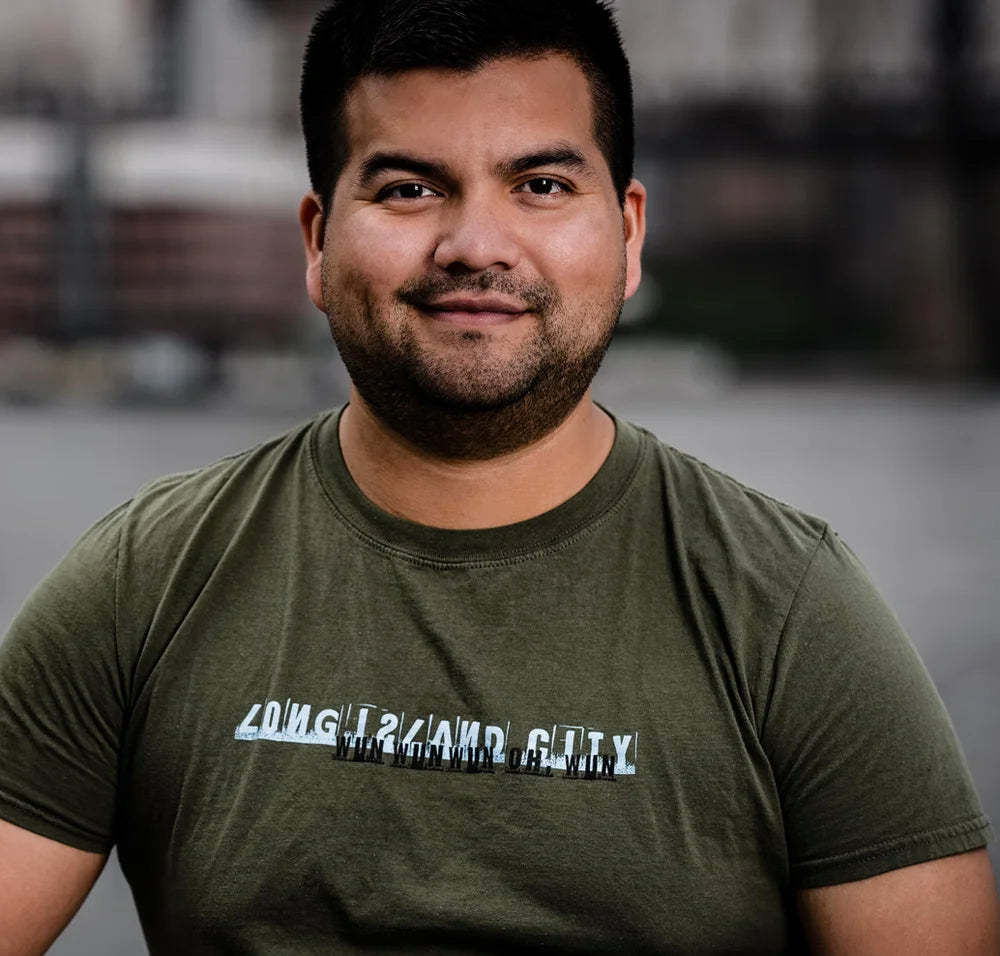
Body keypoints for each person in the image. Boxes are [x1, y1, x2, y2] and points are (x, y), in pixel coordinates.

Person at [1, 0, 998, 952]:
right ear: (314, 240)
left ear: (629, 232)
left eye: (543, 185)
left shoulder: (789, 607)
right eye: (407, 188)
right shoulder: (147, 577)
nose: (475, 244)